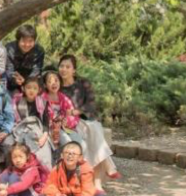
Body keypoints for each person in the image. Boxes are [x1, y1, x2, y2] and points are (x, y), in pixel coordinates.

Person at [58, 54, 119, 187]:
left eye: (68, 67)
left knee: (93, 129)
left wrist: (75, 111)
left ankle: (97, 183)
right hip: (71, 124)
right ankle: (108, 167)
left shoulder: (83, 83)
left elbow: (91, 104)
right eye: (61, 66)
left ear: (74, 70)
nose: (64, 69)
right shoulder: (58, 86)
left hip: (86, 118)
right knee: (93, 133)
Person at [38, 141, 107, 196]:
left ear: (80, 158)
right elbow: (49, 186)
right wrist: (57, 195)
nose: (70, 156)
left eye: (74, 154)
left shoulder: (85, 169)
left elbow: (88, 191)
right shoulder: (56, 169)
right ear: (62, 155)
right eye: (67, 153)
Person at [12, 75, 53, 169]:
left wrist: (44, 135)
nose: (31, 90)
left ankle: (45, 175)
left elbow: (46, 121)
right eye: (29, 87)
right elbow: (14, 120)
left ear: (39, 90)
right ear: (23, 88)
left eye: (35, 88)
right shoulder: (17, 101)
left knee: (44, 150)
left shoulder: (43, 102)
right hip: (22, 129)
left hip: (39, 130)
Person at [42, 69, 85, 159]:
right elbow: (43, 116)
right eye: (50, 81)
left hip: (66, 127)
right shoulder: (43, 98)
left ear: (60, 82)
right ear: (45, 85)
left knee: (80, 143)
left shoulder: (64, 98)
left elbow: (73, 115)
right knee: (67, 142)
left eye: (56, 80)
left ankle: (79, 165)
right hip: (52, 129)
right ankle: (68, 166)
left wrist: (68, 121)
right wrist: (55, 122)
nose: (53, 83)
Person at [5, 24, 45, 95]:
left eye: (30, 41)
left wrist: (26, 81)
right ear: (18, 40)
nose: (27, 44)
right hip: (12, 82)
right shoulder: (9, 49)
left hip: (31, 81)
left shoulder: (39, 51)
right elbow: (9, 70)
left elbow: (37, 70)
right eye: (24, 41)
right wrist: (15, 79)